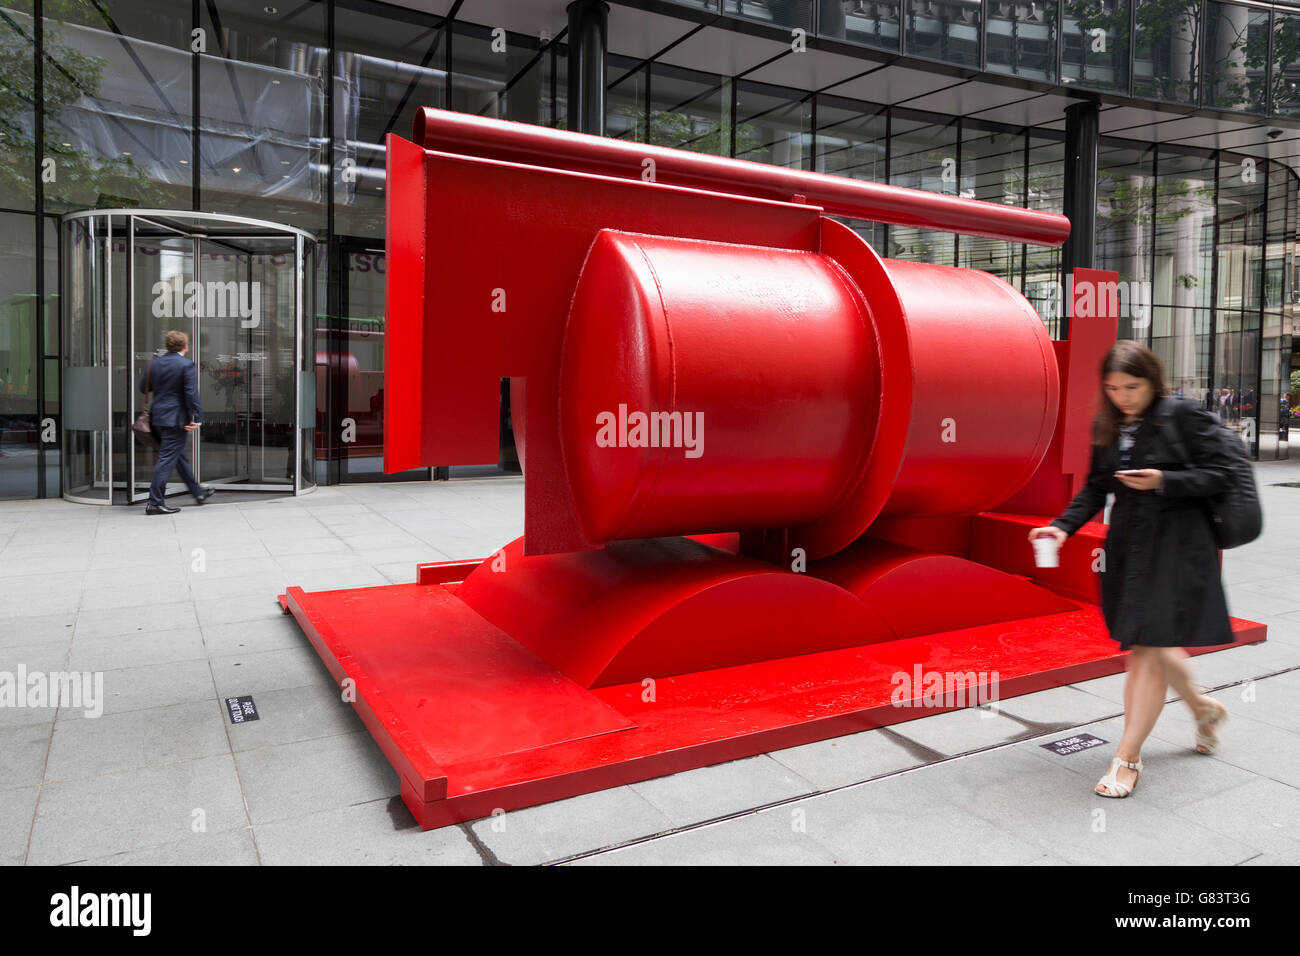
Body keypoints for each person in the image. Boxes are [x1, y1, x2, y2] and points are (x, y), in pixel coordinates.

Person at [1028, 341, 1234, 798]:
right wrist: (1061, 528)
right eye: (1113, 387)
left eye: (1132, 386)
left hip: (1179, 548)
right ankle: (1202, 708)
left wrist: (1164, 480)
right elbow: (1095, 489)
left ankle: (1127, 758)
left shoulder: (1183, 415)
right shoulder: (1106, 424)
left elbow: (1220, 475)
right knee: (1153, 643)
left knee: (1145, 648)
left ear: (1152, 380)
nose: (1123, 396)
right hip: (1130, 549)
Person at [141, 330, 213, 515]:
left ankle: (197, 492)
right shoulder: (186, 365)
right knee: (167, 459)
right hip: (175, 420)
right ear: (185, 346)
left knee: (178, 457)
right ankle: (155, 502)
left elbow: (143, 388)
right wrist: (197, 418)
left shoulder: (154, 364)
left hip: (157, 418)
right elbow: (191, 393)